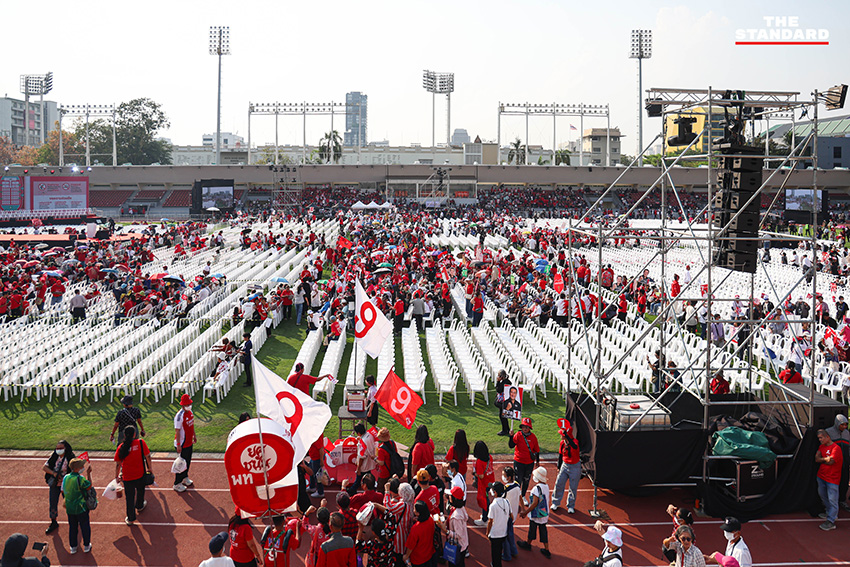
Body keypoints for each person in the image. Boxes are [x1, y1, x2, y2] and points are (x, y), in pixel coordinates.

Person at [114, 426, 152, 526]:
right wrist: (150, 468)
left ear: (125, 435)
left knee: (129, 497)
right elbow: (148, 456)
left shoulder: (121, 447)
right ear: (135, 434)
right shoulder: (140, 443)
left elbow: (118, 464)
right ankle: (139, 505)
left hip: (127, 477)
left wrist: (116, 476)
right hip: (140, 474)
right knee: (140, 490)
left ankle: (131, 518)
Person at [61, 458, 93, 554]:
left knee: (72, 527)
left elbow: (63, 490)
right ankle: (86, 545)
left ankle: (73, 547)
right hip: (81, 507)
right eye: (82, 466)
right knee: (85, 526)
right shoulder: (80, 478)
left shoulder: (66, 477)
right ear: (77, 468)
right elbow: (89, 486)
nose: (83, 467)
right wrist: (89, 474)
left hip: (70, 508)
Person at [517, 466, 551, 558]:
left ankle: (528, 544)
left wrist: (526, 512)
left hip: (536, 514)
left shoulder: (536, 489)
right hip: (544, 513)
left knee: (532, 528)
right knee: (543, 530)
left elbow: (535, 503)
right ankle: (546, 549)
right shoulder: (546, 486)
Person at [43, 440, 74, 535]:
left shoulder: (70, 457)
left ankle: (73, 520)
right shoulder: (54, 456)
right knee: (53, 502)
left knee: (69, 503)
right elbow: (45, 467)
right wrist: (54, 473)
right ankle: (53, 522)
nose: (58, 450)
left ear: (66, 448)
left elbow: (76, 470)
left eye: (61, 448)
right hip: (55, 484)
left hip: (66, 484)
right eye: (57, 448)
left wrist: (66, 477)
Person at [815, 428, 842, 530]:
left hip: (832, 479)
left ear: (827, 437)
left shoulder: (836, 448)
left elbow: (831, 461)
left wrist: (823, 460)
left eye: (821, 438)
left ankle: (831, 520)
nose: (820, 440)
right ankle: (829, 512)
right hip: (821, 476)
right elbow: (817, 459)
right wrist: (825, 459)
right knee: (823, 495)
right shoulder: (821, 447)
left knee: (832, 499)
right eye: (819, 438)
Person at [551, 423, 581, 514]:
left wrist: (567, 436)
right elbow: (560, 455)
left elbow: (574, 447)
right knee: (559, 483)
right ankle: (555, 502)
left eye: (562, 434)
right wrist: (559, 466)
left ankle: (571, 506)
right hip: (565, 465)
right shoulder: (562, 443)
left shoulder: (575, 442)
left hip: (574, 467)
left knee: (573, 487)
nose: (561, 435)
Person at [437, 486, 469, 567]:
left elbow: (459, 535)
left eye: (450, 496)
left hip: (458, 546)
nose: (448, 497)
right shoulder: (460, 508)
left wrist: (445, 530)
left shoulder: (456, 517)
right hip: (462, 544)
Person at [508, 417, 540, 497]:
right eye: (523, 426)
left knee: (526, 480)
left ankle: (522, 496)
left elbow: (536, 450)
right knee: (518, 480)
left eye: (527, 427)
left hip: (529, 463)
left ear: (530, 428)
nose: (525, 428)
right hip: (519, 462)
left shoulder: (533, 437)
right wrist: (511, 436)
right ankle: (516, 496)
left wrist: (538, 461)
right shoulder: (518, 435)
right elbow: (511, 445)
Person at [825, 414, 850, 511]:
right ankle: (829, 503)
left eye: (845, 425)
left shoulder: (847, 434)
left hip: (844, 463)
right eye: (842, 425)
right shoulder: (829, 432)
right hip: (833, 464)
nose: (844, 427)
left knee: (844, 481)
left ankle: (842, 500)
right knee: (832, 484)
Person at [174, 393, 196, 493]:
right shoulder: (179, 416)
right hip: (182, 443)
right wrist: (178, 445)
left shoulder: (190, 412)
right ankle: (177, 483)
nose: (189, 406)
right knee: (181, 464)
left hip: (189, 442)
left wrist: (194, 436)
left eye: (189, 404)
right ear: (182, 405)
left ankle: (185, 477)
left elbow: (191, 425)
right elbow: (177, 431)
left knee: (187, 462)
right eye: (187, 405)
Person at [485, 481, 511, 567]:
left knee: (495, 553)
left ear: (495, 492)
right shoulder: (506, 502)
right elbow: (512, 516)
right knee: (499, 550)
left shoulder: (493, 505)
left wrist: (487, 532)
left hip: (495, 534)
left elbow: (490, 521)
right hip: (503, 532)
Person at [403, 501, 435, 567]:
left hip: (418, 559)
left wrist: (406, 556)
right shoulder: (431, 520)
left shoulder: (415, 528)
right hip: (429, 553)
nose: (413, 510)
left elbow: (411, 546)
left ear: (418, 513)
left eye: (414, 509)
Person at [472, 441, 495, 526]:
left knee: (485, 501)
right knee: (486, 499)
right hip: (490, 480)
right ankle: (486, 516)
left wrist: (474, 473)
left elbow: (481, 476)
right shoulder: (490, 457)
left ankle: (485, 519)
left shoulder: (479, 461)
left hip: (484, 484)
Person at [500, 467, 520, 563]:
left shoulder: (506, 489)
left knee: (505, 536)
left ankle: (507, 555)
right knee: (510, 534)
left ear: (508, 477)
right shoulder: (517, 485)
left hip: (507, 515)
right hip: (514, 514)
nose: (502, 477)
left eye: (504, 475)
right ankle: (514, 551)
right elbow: (519, 497)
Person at [495, 370, 512, 436]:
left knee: (502, 416)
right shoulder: (507, 381)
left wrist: (498, 382)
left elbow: (498, 390)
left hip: (504, 402)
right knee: (503, 416)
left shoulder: (504, 383)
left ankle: (505, 430)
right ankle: (506, 429)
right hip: (505, 401)